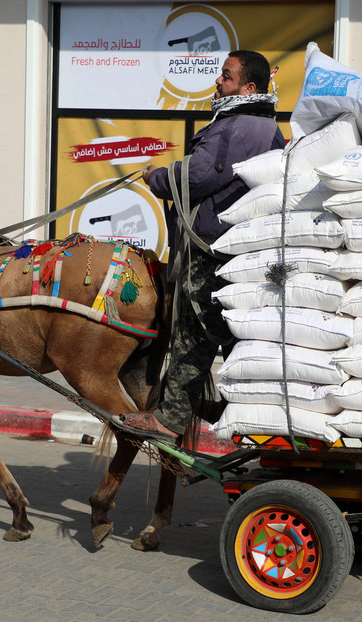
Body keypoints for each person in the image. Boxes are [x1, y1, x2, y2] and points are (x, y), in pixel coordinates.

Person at [112, 50, 286, 442]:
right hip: (229, 246)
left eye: (226, 76)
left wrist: (158, 176)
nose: (217, 82)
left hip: (211, 248)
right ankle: (225, 405)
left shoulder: (238, 126)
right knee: (221, 329)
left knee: (195, 327)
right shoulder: (259, 125)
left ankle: (171, 419)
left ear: (249, 87)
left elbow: (199, 175)